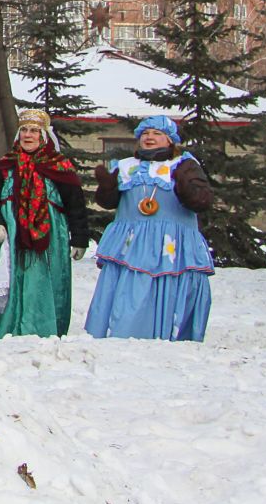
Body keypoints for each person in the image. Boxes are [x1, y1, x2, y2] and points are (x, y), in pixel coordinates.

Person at [84, 115, 216, 342]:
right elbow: (109, 203)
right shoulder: (126, 167)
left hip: (172, 245)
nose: (149, 138)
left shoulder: (183, 164)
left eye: (156, 134)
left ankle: (170, 335)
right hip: (133, 244)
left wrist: (187, 187)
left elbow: (202, 201)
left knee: (169, 285)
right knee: (131, 289)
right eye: (145, 134)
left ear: (169, 140)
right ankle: (122, 335)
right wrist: (106, 188)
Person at [0, 108, 89, 339]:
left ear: (43, 136)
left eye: (33, 131)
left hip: (49, 238)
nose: (28, 135)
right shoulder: (6, 165)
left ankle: (45, 329)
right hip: (12, 236)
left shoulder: (59, 166)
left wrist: (80, 238)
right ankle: (10, 328)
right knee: (13, 280)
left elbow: (75, 204)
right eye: (24, 131)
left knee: (44, 280)